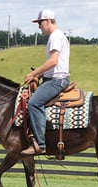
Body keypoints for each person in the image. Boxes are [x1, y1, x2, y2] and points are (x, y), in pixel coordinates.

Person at [21, 9, 70, 155]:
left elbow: (53, 62)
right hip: (54, 78)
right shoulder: (57, 36)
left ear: (48, 21)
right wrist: (40, 74)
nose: (39, 26)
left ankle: (40, 144)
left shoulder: (55, 36)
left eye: (40, 23)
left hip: (57, 81)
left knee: (34, 103)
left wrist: (34, 73)